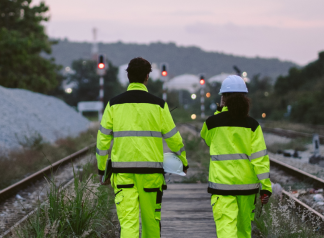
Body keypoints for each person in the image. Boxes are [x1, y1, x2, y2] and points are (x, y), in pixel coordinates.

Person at [96, 57, 189, 238]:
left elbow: (102, 141)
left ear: (128, 76)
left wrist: (102, 169)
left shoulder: (113, 105)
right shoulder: (159, 105)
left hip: (123, 173)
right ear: (147, 77)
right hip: (151, 175)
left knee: (128, 224)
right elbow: (174, 139)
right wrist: (183, 162)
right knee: (151, 223)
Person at [200, 75, 271, 238]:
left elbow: (206, 139)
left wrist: (219, 111)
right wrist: (266, 187)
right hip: (247, 188)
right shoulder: (253, 125)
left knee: (226, 228)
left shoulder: (212, 123)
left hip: (222, 186)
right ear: (245, 98)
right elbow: (260, 158)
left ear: (223, 98)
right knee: (244, 231)